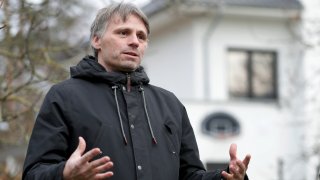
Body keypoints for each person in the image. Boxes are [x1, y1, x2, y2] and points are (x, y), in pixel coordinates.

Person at [23, 2, 251, 180]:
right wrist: (63, 174)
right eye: (123, 33)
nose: (134, 42)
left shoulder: (170, 104)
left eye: (141, 36)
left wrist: (225, 177)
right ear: (96, 40)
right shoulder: (65, 96)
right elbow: (33, 173)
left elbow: (190, 175)